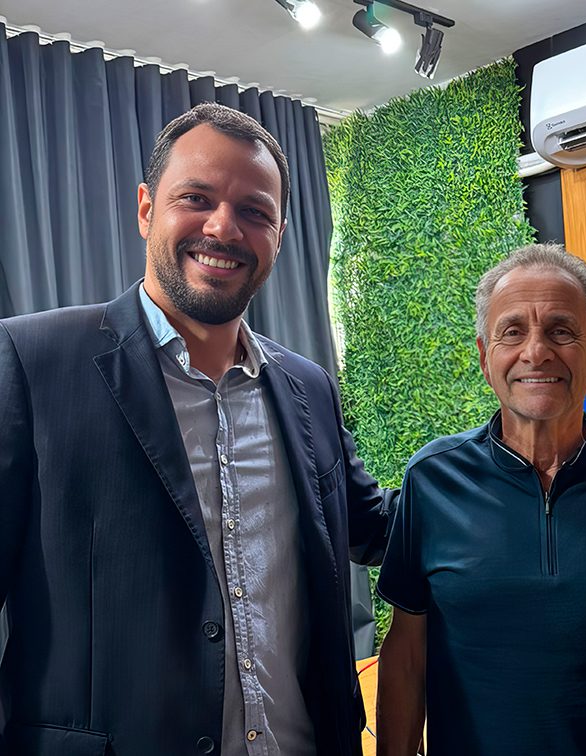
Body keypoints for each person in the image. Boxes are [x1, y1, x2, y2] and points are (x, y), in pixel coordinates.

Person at [0, 103, 397, 756]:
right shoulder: (31, 361)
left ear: (279, 234)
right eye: (197, 198)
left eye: (255, 211)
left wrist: (507, 467)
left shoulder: (309, 387)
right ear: (146, 209)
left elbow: (373, 525)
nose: (223, 227)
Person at [375, 244, 586, 756]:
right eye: (512, 332)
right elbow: (406, 656)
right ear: (485, 357)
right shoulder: (431, 479)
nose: (536, 352)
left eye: (561, 331)